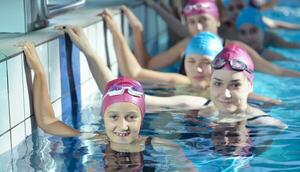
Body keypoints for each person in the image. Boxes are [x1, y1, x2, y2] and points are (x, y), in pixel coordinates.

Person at [23, 42, 221, 172]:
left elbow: (187, 171)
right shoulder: (98, 139)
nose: (122, 125)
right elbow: (48, 122)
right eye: (114, 117)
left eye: (131, 117)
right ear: (103, 117)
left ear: (142, 118)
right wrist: (39, 73)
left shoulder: (161, 145)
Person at [55, 24, 286, 128]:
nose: (225, 94)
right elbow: (121, 96)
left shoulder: (269, 125)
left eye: (235, 84)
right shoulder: (193, 103)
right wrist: (89, 51)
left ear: (249, 85)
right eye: (218, 83)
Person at [102, 8, 281, 105]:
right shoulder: (181, 81)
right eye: (191, 62)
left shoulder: (231, 93)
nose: (198, 69)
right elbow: (136, 73)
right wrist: (123, 32)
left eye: (206, 63)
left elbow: (273, 97)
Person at [124, 1, 300, 78]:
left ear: (218, 20)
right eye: (192, 22)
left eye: (203, 20)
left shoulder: (235, 49)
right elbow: (147, 66)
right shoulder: (186, 45)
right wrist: (137, 31)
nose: (198, 28)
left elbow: (277, 72)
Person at [236, 7, 300, 60]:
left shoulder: (271, 55)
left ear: (262, 30)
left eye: (253, 31)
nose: (248, 37)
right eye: (242, 32)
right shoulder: (233, 50)